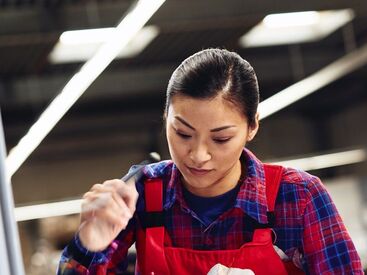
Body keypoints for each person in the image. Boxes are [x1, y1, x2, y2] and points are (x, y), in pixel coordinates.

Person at [57, 48, 363, 274]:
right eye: (183, 133)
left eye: (220, 139)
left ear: (252, 127)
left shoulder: (298, 198)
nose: (198, 155)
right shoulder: (142, 194)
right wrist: (88, 244)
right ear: (166, 118)